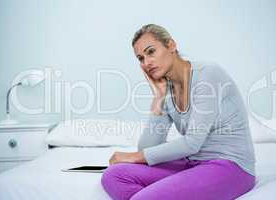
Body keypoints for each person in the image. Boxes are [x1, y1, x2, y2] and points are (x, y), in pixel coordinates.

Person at [101, 24, 256, 200]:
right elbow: (147, 149)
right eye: (141, 58)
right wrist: (159, 97)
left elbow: (192, 143)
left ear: (171, 45)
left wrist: (134, 157)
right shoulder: (166, 90)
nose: (146, 63)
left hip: (231, 167)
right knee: (113, 175)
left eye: (151, 51)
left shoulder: (208, 74)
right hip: (192, 163)